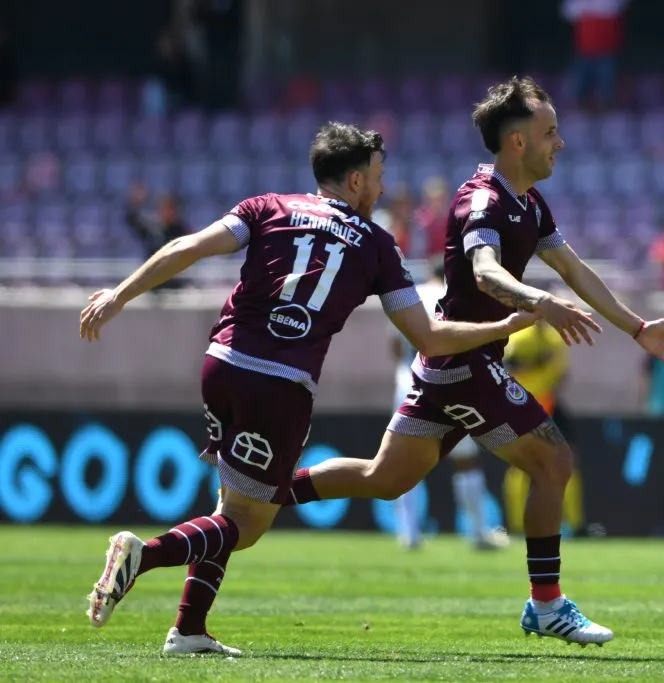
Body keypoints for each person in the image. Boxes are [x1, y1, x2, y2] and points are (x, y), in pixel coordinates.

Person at [78, 122, 539, 656]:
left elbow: (189, 246)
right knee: (245, 526)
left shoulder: (267, 206)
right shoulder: (376, 245)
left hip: (221, 364)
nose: (383, 188)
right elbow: (428, 336)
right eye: (378, 176)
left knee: (232, 504)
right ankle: (143, 555)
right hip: (280, 384)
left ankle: (188, 630)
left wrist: (119, 294)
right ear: (353, 180)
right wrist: (503, 327)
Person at [278, 76, 664, 647]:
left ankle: (265, 487)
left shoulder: (528, 201)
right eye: (550, 132)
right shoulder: (483, 199)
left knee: (384, 478)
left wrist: (638, 327)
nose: (561, 143)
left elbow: (576, 271)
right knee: (552, 463)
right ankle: (546, 605)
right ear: (518, 142)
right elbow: (485, 271)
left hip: (447, 365)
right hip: (468, 364)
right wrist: (537, 300)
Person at [391, 261, 509, 551]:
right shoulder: (458, 298)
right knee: (465, 461)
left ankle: (409, 534)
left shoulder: (412, 294)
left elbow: (395, 344)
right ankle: (479, 533)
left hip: (410, 379)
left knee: (403, 461)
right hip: (449, 381)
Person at [503, 320, 585, 537]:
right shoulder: (518, 336)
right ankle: (518, 525)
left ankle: (572, 524)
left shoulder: (553, 338)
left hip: (547, 404)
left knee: (566, 462)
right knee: (521, 465)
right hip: (523, 406)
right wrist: (536, 364)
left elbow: (560, 374)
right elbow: (508, 367)